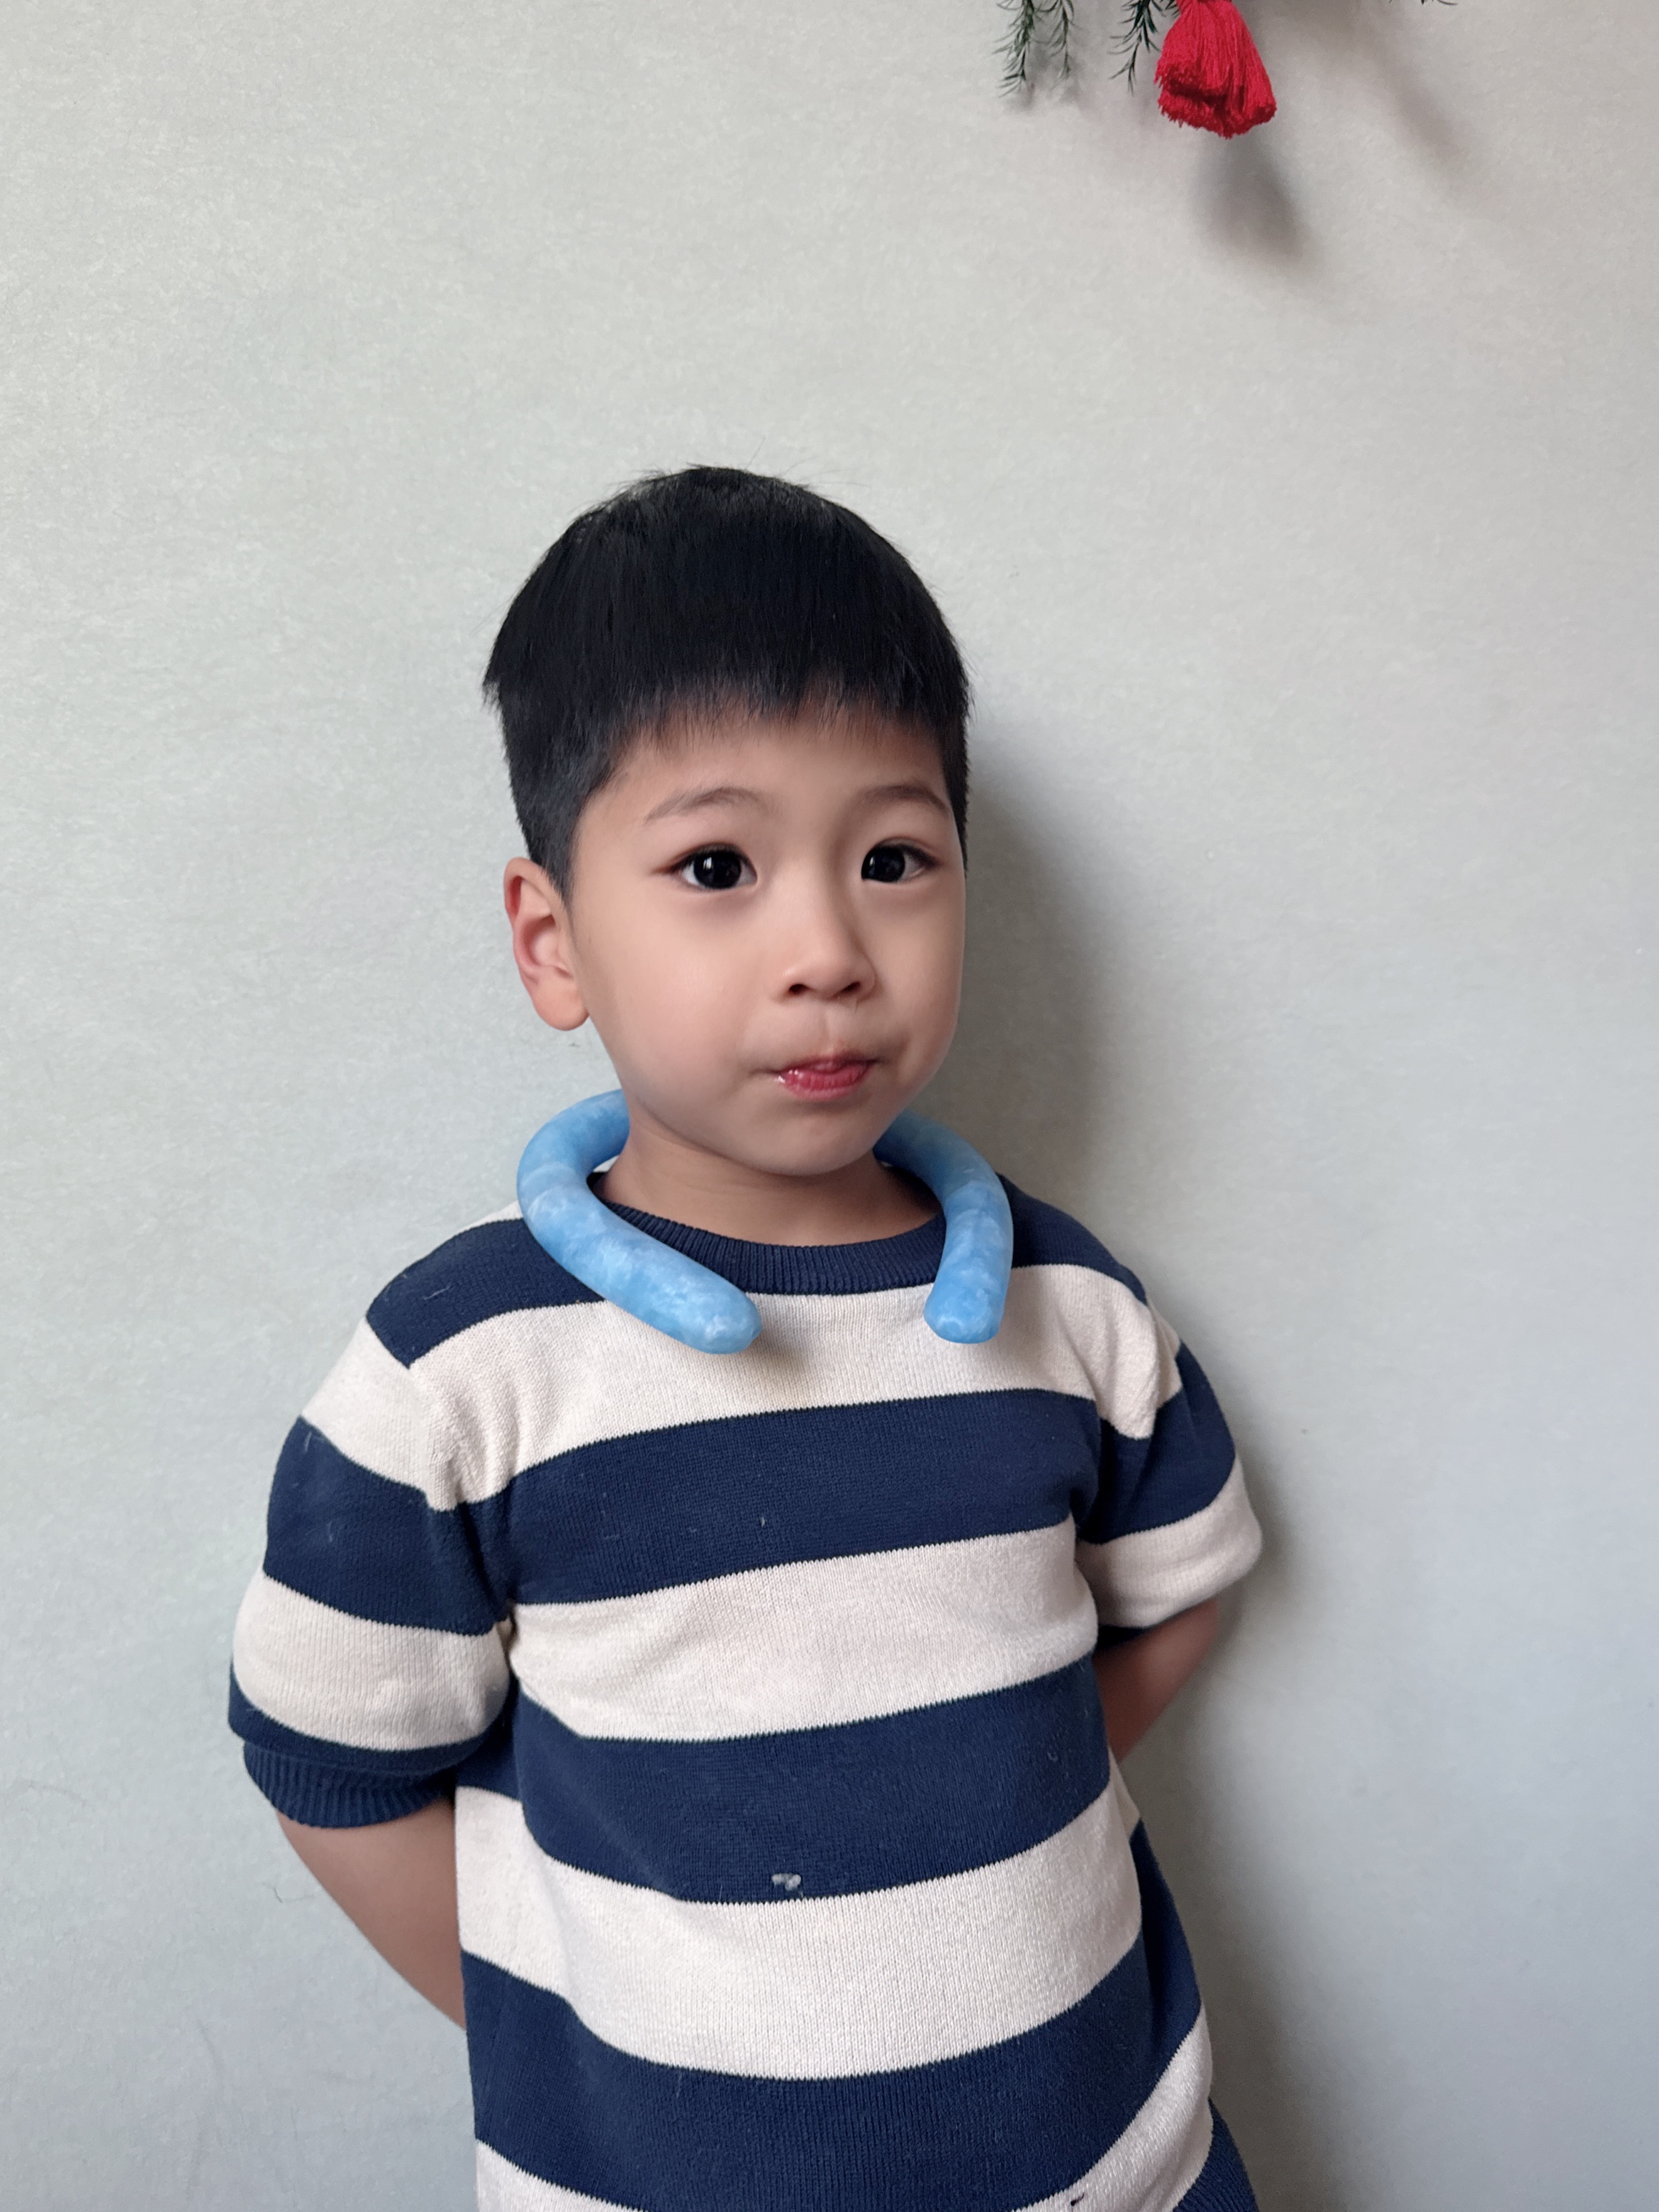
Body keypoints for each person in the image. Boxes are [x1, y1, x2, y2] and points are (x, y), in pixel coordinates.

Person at [229, 466, 1265, 2212]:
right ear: (553, 940)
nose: (829, 949)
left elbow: (1183, 1585)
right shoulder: (467, 1366)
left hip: (1128, 2164)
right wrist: (573, 2029)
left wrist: (987, 1791)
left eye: (894, 859)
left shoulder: (1069, 1306)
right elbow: (329, 1756)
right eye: (718, 865)